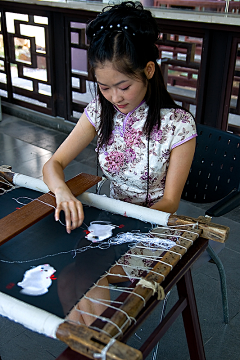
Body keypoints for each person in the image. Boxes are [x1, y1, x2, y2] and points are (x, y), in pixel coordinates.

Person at [43, 1, 197, 325]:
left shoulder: (179, 125)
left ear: (149, 70)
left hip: (150, 225)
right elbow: (53, 163)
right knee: (66, 277)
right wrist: (64, 193)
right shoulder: (101, 111)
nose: (115, 97)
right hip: (108, 221)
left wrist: (119, 230)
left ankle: (97, 343)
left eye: (124, 86)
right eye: (104, 87)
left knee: (86, 281)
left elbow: (170, 202)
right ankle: (91, 345)